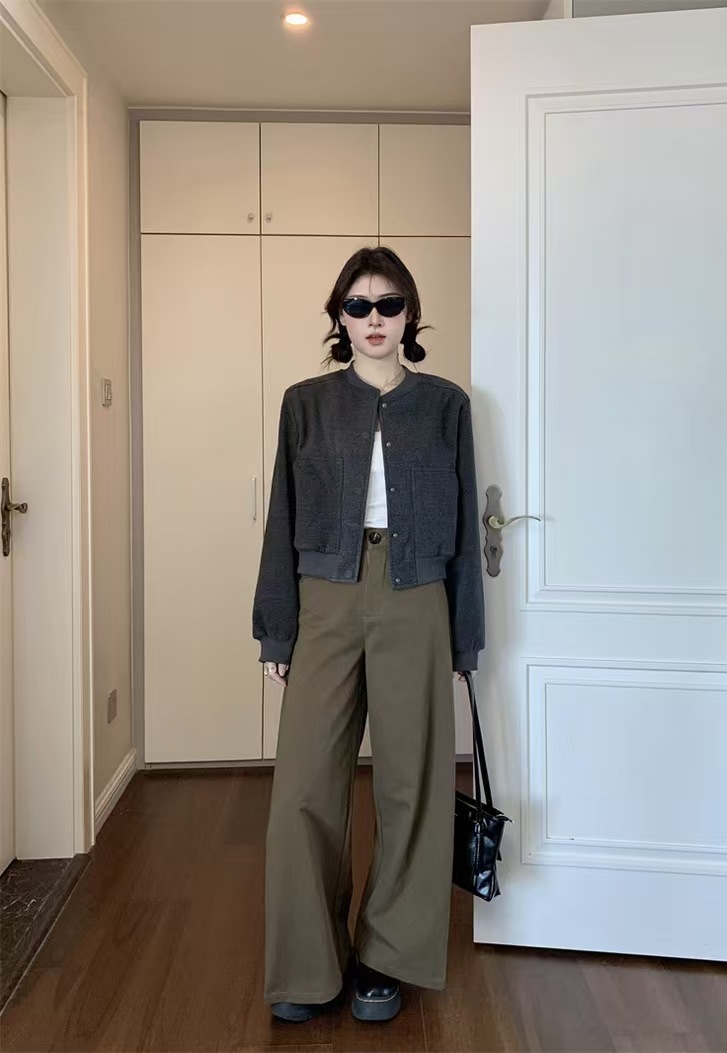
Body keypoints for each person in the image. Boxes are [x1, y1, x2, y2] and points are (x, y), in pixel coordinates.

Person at [252, 245, 485, 1023]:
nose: (374, 318)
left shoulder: (446, 405)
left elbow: (462, 528)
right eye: (359, 305)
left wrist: (465, 640)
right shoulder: (306, 404)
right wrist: (277, 630)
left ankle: (386, 956)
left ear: (410, 315)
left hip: (416, 595)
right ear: (340, 317)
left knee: (412, 781)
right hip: (325, 594)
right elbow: (281, 517)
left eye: (389, 304)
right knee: (304, 786)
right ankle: (306, 963)